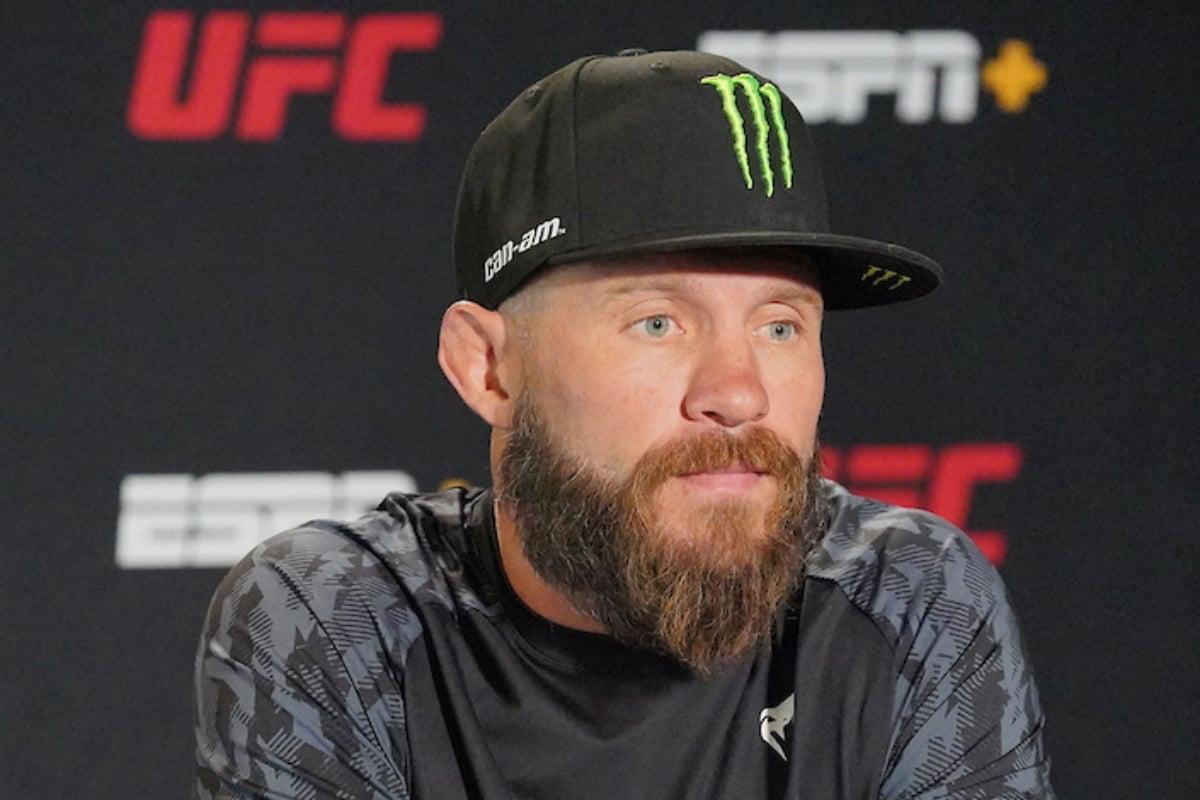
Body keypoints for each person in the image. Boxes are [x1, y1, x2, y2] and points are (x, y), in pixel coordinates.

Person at [194, 49, 1054, 799]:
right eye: (657, 322)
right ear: (488, 367)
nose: (739, 394)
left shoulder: (907, 601)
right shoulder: (339, 619)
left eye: (780, 326)